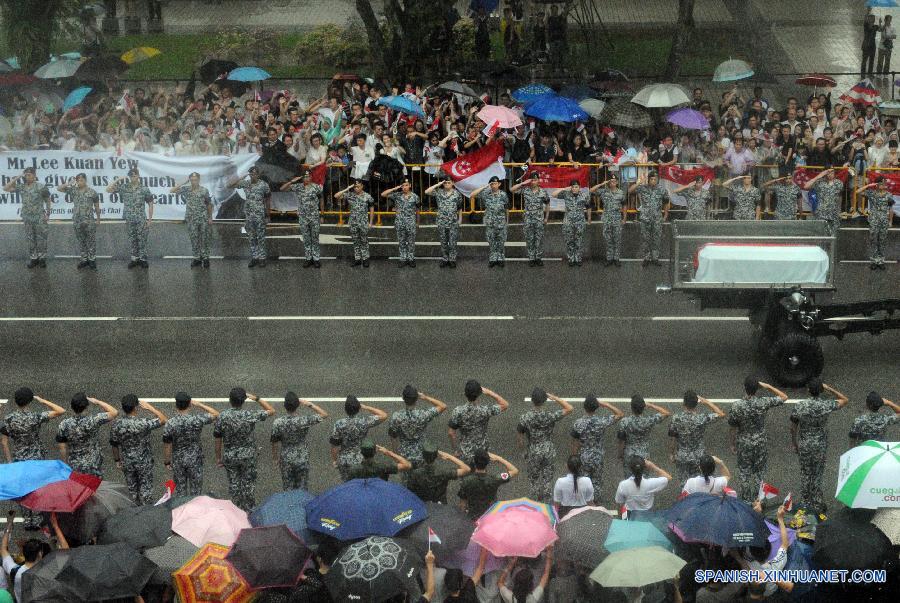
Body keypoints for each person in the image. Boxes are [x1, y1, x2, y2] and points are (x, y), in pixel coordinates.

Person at [1, 388, 65, 530]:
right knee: (36, 487)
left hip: (19, 457)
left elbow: (4, 442)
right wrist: (42, 400)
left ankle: (27, 520)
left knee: (22, 488)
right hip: (35, 456)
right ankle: (37, 520)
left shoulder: (9, 419)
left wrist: (10, 461)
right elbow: (60, 410)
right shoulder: (35, 417)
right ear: (29, 401)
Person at [790, 379, 848, 514]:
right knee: (817, 474)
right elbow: (845, 399)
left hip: (804, 444)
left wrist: (794, 443)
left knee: (805, 473)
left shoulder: (800, 406)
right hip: (820, 444)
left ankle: (805, 502)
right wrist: (829, 389)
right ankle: (816, 503)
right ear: (820, 391)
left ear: (809, 390)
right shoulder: (826, 405)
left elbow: (793, 428)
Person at [728, 377, 788, 502]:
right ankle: (757, 500)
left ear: (745, 388)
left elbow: (733, 427)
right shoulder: (763, 402)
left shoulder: (737, 406)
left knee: (744, 472)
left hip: (744, 442)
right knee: (758, 472)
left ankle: (745, 500)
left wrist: (732, 444)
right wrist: (768, 386)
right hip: (760, 441)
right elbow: (784, 397)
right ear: (757, 389)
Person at [214, 388, 275, 511]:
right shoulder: (249, 415)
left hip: (230, 456)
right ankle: (250, 510)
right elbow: (271, 410)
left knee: (234, 484)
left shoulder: (222, 417)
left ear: (230, 400)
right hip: (248, 456)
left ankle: (236, 512)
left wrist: (218, 457)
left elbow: (217, 438)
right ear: (243, 401)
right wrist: (257, 398)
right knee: (248, 485)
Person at [109, 396, 167, 505]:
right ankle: (146, 513)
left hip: (127, 461)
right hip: (144, 461)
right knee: (146, 491)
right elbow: (163, 419)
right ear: (136, 407)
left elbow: (114, 444)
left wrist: (117, 460)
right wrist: (150, 408)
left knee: (132, 490)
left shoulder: (116, 425)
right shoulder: (143, 423)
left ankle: (134, 511)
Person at [517, 388, 573, 502]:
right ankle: (547, 503)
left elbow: (520, 437)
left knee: (534, 480)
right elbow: (569, 408)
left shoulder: (525, 417)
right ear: (544, 401)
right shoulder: (550, 416)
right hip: (548, 449)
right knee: (547, 479)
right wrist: (555, 398)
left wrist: (523, 452)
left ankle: (534, 503)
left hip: (533, 450)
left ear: (532, 401)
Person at [163, 392, 220, 496]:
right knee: (195, 493)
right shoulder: (197, 420)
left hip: (178, 460)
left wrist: (167, 461)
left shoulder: (170, 423)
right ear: (189, 404)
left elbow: (167, 444)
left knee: (180, 493)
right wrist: (200, 404)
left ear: (176, 405)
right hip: (195, 460)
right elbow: (216, 414)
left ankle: (182, 510)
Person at [571, 394, 624, 503]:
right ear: (596, 407)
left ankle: (584, 502)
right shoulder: (601, 422)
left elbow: (575, 443)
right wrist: (606, 404)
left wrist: (574, 457)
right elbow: (620, 414)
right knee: (597, 482)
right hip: (598, 456)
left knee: (583, 481)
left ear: (584, 407)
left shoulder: (578, 423)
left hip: (583, 456)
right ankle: (596, 502)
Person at [271, 392, 329, 490]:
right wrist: (309, 404)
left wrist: (275, 458)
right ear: (298, 405)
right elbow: (324, 414)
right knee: (302, 488)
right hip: (302, 457)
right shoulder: (304, 420)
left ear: (285, 406)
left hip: (286, 458)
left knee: (288, 488)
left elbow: (274, 442)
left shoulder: (278, 422)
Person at [668, 390, 725, 484]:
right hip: (699, 456)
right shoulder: (701, 418)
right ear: (696, 404)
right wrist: (706, 402)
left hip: (682, 456)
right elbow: (721, 414)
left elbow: (673, 438)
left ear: (684, 403)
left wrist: (671, 453)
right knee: (699, 483)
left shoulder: (676, 418)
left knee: (684, 484)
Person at [448, 380, 509, 465]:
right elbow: (505, 404)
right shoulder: (485, 410)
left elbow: (451, 433)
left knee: (466, 474)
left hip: (466, 451)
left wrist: (455, 450)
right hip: (481, 452)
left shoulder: (458, 411)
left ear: (465, 394)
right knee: (481, 473)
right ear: (480, 394)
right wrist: (489, 393)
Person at [55, 393, 118, 477]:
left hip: (75, 465)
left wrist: (65, 464)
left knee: (79, 489)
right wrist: (98, 402)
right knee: (93, 488)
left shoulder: (64, 424)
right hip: (93, 465)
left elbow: (62, 448)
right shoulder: (93, 421)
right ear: (86, 407)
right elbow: (114, 412)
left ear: (72, 407)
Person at [2, 168, 52, 268]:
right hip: (27, 217)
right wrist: (18, 177)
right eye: (26, 175)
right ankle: (34, 258)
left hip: (39, 217)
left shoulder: (41, 187)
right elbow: (6, 188)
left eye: (29, 175)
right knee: (30, 238)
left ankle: (42, 258)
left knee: (41, 238)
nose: (27, 177)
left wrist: (48, 214)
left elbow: (48, 200)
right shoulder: (22, 186)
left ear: (34, 175)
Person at [330, 396, 388, 480]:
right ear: (358, 408)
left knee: (348, 486)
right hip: (361, 458)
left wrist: (335, 460)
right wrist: (366, 407)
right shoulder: (364, 421)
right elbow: (383, 415)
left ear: (346, 409)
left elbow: (334, 445)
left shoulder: (339, 424)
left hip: (345, 459)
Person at [388, 385, 447, 468]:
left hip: (405, 455)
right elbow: (443, 406)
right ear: (416, 399)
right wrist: (425, 397)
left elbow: (393, 436)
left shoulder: (396, 417)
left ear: (404, 399)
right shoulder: (423, 415)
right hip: (421, 454)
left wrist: (396, 454)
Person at [106, 168, 154, 268]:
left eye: (135, 175)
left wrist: (149, 220)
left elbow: (150, 204)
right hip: (129, 218)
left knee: (142, 239)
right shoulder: (124, 187)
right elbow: (108, 189)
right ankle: (134, 259)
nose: (133, 177)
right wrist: (117, 180)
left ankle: (143, 259)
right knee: (132, 239)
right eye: (131, 176)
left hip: (141, 218)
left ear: (138, 176)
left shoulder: (144, 189)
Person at [227, 167, 271, 267]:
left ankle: (262, 258)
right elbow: (229, 185)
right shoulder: (245, 183)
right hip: (249, 215)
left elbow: (268, 199)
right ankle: (255, 257)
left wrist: (268, 215)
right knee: (251, 237)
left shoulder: (263, 185)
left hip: (260, 214)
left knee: (261, 237)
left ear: (258, 175)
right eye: (251, 174)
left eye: (255, 174)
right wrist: (241, 177)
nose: (253, 176)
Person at [617, 395, 671, 476]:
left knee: (629, 480)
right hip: (644, 456)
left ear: (632, 407)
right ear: (643, 408)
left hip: (629, 455)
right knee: (643, 480)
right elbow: (666, 413)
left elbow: (621, 441)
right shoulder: (648, 421)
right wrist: (651, 405)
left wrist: (620, 455)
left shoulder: (624, 422)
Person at [457, 450, 519, 520]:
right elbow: (514, 471)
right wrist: (499, 458)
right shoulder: (495, 479)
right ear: (488, 463)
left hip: (473, 517)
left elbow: (462, 505)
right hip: (490, 517)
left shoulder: (466, 481)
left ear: (474, 462)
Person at [57, 173, 101, 270]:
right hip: (77, 220)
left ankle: (92, 260)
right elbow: (59, 188)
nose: (79, 182)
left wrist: (98, 219)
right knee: (81, 240)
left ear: (85, 180)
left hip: (89, 220)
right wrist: (69, 183)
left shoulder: (92, 192)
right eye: (78, 180)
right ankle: (84, 259)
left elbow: (97, 206)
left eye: (81, 180)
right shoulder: (73, 191)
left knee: (91, 241)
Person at [170, 172, 213, 268]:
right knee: (194, 239)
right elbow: (172, 191)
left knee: (204, 238)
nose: (194, 182)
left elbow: (209, 204)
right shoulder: (186, 189)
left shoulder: (204, 190)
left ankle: (205, 258)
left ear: (199, 180)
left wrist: (210, 217)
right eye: (192, 180)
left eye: (196, 180)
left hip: (203, 218)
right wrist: (183, 183)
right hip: (191, 219)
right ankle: (196, 258)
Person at [281, 170, 323, 268]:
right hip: (303, 217)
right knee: (306, 239)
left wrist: (322, 215)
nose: (306, 178)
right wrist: (292, 181)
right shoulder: (298, 187)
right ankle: (308, 258)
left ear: (311, 177)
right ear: (302, 178)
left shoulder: (316, 187)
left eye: (308, 176)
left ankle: (316, 259)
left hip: (314, 217)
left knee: (315, 238)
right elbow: (282, 188)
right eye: (304, 177)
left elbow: (321, 200)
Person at [405, 443, 470, 503]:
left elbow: (409, 491)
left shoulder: (415, 473)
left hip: (422, 503)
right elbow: (466, 469)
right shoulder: (444, 471)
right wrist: (448, 456)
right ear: (436, 456)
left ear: (423, 455)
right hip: (439, 505)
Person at [628, 172, 670, 267]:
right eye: (651, 179)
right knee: (645, 239)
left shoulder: (662, 190)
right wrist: (639, 183)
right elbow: (630, 191)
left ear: (657, 180)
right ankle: (646, 257)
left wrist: (666, 215)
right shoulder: (643, 188)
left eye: (655, 179)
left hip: (657, 218)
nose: (653, 181)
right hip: (645, 218)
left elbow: (666, 202)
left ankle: (655, 258)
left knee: (656, 238)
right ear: (648, 179)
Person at [1, 512, 43, 603]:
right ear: (40, 554)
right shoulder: (46, 572)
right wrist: (56, 526)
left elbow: (3, 549)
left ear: (23, 554)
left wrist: (9, 525)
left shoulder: (15, 571)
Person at [511, 172, 551, 266]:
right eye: (532, 180)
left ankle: (538, 257)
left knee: (539, 239)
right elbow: (512, 190)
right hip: (528, 219)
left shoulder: (543, 192)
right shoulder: (525, 190)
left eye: (535, 180)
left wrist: (546, 218)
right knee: (529, 239)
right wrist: (522, 183)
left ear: (538, 181)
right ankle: (531, 258)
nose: (533, 182)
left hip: (539, 219)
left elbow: (548, 204)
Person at [856, 177, 895, 270]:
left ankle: (881, 261)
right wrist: (869, 185)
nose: (883, 185)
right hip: (874, 221)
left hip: (884, 222)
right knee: (873, 240)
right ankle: (874, 261)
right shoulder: (872, 193)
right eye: (881, 183)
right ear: (876, 185)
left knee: (882, 241)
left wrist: (890, 221)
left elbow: (891, 209)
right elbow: (857, 191)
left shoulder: (889, 195)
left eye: (884, 183)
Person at [425, 177, 464, 267]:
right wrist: (439, 184)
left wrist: (460, 219)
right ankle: (445, 258)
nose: (447, 184)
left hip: (453, 221)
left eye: (448, 182)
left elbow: (459, 207)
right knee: (443, 241)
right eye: (445, 183)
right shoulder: (439, 192)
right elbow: (427, 191)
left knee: (453, 241)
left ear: (453, 183)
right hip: (441, 221)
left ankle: (452, 259)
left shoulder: (457, 194)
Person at [471, 176, 510, 267]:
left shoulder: (503, 195)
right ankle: (493, 258)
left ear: (499, 184)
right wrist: (485, 187)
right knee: (491, 241)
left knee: (501, 241)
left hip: (501, 222)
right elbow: (472, 195)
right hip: (490, 222)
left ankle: (500, 258)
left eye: (495, 183)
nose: (493, 185)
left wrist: (507, 221)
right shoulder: (485, 194)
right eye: (491, 184)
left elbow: (507, 208)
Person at [552, 180, 592, 266]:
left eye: (576, 187)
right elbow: (553, 194)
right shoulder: (566, 194)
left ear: (579, 187)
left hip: (580, 221)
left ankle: (577, 258)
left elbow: (588, 207)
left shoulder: (584, 195)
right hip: (568, 221)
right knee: (569, 240)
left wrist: (589, 218)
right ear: (571, 187)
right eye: (573, 187)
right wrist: (564, 188)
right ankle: (571, 258)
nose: (574, 189)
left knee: (579, 240)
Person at [335, 179, 375, 266]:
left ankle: (365, 259)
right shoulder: (350, 195)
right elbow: (336, 196)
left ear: (362, 186)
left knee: (364, 241)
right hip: (353, 222)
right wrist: (347, 188)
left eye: (358, 186)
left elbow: (371, 209)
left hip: (363, 222)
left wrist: (371, 222)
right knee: (355, 241)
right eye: (355, 187)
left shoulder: (367, 196)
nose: (356, 188)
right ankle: (357, 258)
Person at [382, 179, 421, 267]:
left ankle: (411, 259)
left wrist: (418, 222)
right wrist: (395, 188)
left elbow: (418, 211)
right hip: (400, 222)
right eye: (402, 186)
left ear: (410, 185)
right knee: (401, 241)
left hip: (411, 222)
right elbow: (383, 194)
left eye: (406, 185)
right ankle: (403, 259)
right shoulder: (397, 195)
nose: (404, 187)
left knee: (411, 242)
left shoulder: (415, 197)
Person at [592, 175, 627, 266]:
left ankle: (616, 259)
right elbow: (591, 190)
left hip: (617, 218)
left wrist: (624, 218)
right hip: (607, 218)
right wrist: (601, 184)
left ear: (617, 182)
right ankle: (609, 258)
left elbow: (624, 205)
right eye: (611, 181)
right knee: (608, 240)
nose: (613, 183)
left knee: (617, 239)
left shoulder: (621, 193)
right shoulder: (604, 192)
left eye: (615, 181)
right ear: (608, 182)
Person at [803, 168, 844, 236]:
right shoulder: (819, 182)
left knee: (833, 237)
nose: (830, 174)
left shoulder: (839, 183)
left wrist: (839, 210)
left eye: (831, 172)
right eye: (828, 172)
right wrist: (819, 176)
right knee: (820, 236)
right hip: (821, 214)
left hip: (834, 214)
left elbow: (839, 197)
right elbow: (806, 186)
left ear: (834, 172)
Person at [347, 439, 412, 480]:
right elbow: (407, 465)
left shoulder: (353, 470)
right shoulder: (384, 467)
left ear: (361, 452)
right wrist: (388, 452)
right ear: (375, 452)